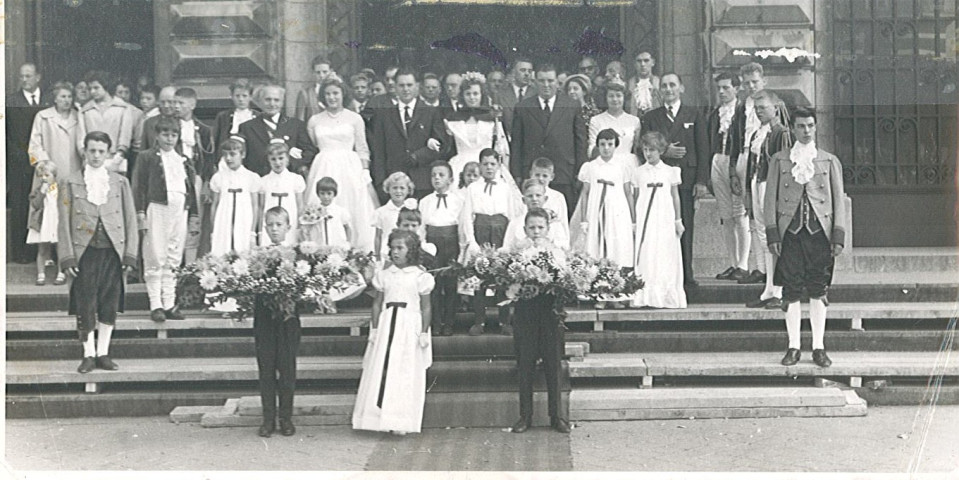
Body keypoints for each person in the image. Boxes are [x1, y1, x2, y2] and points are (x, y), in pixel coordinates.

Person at [765, 107, 848, 368]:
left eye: (810, 125)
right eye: (801, 126)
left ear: (816, 127)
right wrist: (772, 233)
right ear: (793, 128)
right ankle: (793, 346)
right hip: (790, 233)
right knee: (790, 290)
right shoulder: (779, 160)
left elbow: (838, 200)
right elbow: (770, 200)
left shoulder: (829, 161)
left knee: (818, 289)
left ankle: (819, 347)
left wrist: (838, 235)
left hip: (819, 234)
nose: (806, 131)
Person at [58, 131, 139, 374]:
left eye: (101, 151)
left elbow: (130, 219)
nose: (95, 155)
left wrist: (129, 254)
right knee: (85, 302)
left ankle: (103, 352)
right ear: (84, 151)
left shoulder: (119, 182)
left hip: (112, 251)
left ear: (108, 153)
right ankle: (88, 354)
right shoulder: (70, 182)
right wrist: (68, 256)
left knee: (109, 302)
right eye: (91, 150)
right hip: (85, 253)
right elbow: (63, 222)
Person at [352, 229, 434, 435]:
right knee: (381, 367)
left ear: (411, 250)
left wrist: (424, 332)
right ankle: (375, 418)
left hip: (408, 326)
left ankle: (400, 420)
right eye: (392, 248)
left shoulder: (420, 276)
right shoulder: (384, 275)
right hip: (388, 323)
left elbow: (426, 307)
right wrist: (375, 328)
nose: (395, 252)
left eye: (400, 248)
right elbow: (377, 304)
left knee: (404, 370)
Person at [641, 73, 709, 289]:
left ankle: (686, 276)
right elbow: (642, 146)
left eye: (672, 85)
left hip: (686, 181)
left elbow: (703, 148)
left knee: (683, 226)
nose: (668, 89)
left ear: (681, 87)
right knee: (658, 228)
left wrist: (701, 181)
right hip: (658, 181)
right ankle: (661, 276)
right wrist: (665, 150)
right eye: (664, 86)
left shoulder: (694, 114)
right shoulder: (652, 117)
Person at [508, 207, 570, 434]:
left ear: (548, 228)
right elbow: (510, 282)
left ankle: (557, 416)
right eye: (531, 227)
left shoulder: (556, 253)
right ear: (524, 229)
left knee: (553, 364)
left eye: (540, 227)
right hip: (526, 315)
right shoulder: (517, 253)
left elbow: (563, 280)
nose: (536, 231)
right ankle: (525, 416)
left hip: (549, 314)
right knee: (525, 365)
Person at [132, 117, 199, 322]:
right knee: (155, 255)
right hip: (157, 209)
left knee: (173, 256)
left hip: (180, 211)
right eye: (165, 134)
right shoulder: (147, 157)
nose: (169, 139)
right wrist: (141, 212)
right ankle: (156, 304)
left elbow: (191, 190)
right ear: (157, 135)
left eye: (173, 135)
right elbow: (139, 186)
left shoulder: (184, 160)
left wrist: (194, 216)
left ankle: (169, 303)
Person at [304, 75, 378, 252]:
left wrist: (365, 170)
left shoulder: (354, 118)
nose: (332, 97)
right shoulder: (314, 121)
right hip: (323, 165)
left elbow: (361, 147)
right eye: (328, 94)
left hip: (350, 167)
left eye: (335, 93)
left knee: (355, 208)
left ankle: (354, 250)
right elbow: (314, 144)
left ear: (343, 94)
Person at [510, 63, 588, 216]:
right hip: (533, 174)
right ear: (535, 81)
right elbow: (517, 145)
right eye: (541, 80)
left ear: (557, 82)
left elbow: (580, 142)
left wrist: (580, 173)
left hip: (564, 173)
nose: (546, 85)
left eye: (550, 81)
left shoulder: (571, 105)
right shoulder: (523, 107)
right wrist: (518, 175)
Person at [573, 129, 635, 308]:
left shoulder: (623, 166)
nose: (606, 148)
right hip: (596, 212)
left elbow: (628, 193)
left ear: (615, 145)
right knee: (598, 248)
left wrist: (632, 219)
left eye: (610, 144)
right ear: (597, 146)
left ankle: (615, 294)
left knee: (616, 248)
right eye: (602, 144)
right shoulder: (590, 167)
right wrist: (584, 219)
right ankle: (600, 294)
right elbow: (585, 193)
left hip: (617, 212)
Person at [255, 206, 302, 438]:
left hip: (289, 319)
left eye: (279, 225)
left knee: (287, 368)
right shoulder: (256, 256)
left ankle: (286, 418)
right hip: (264, 319)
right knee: (266, 369)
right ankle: (267, 419)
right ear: (265, 227)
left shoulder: (296, 256)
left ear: (288, 227)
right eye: (270, 225)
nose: (274, 229)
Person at [742, 91, 792, 309]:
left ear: (775, 107)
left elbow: (784, 167)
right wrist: (746, 190)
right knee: (762, 236)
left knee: (773, 236)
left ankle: (779, 290)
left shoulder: (781, 133)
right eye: (756, 108)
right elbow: (751, 166)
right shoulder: (756, 134)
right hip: (756, 183)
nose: (759, 111)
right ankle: (768, 288)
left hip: (770, 187)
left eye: (763, 107)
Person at [368, 68, 449, 201]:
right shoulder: (384, 115)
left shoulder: (431, 112)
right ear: (394, 87)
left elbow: (440, 146)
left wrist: (417, 156)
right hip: (395, 184)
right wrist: (381, 182)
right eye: (401, 85)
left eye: (409, 85)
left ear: (417, 86)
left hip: (423, 181)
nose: (405, 89)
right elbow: (379, 152)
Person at [461, 149, 517, 335]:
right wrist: (472, 242)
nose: (489, 167)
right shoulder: (472, 188)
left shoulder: (505, 188)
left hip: (500, 233)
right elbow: (467, 217)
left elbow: (512, 218)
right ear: (480, 166)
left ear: (499, 165)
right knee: (479, 279)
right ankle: (479, 321)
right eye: (485, 164)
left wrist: (506, 245)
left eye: (493, 164)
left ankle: (504, 321)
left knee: (502, 278)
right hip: (481, 230)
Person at [632, 132, 687, 308]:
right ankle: (646, 295)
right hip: (646, 218)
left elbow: (675, 197)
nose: (649, 154)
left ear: (661, 151)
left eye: (653, 150)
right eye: (646, 150)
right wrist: (634, 222)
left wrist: (678, 220)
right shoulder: (638, 172)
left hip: (664, 218)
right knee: (647, 253)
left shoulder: (671, 172)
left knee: (665, 254)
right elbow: (635, 197)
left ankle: (665, 296)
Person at [7, 63, 53, 264]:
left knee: (50, 206)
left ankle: (51, 254)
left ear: (38, 77)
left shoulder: (50, 101)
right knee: (22, 207)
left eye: (28, 76)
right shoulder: (11, 102)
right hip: (21, 166)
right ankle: (23, 255)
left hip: (48, 164)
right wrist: (24, 158)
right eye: (21, 76)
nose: (24, 80)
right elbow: (7, 136)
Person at [708, 72, 750, 282]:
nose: (722, 92)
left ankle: (743, 264)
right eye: (720, 88)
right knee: (726, 216)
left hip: (737, 162)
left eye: (726, 87)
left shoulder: (744, 111)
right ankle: (732, 263)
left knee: (739, 213)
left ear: (736, 88)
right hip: (719, 159)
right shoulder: (715, 113)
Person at [419, 161, 465, 336]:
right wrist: (424, 248)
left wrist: (461, 249)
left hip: (451, 242)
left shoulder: (459, 200)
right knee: (434, 284)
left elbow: (462, 226)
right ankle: (436, 322)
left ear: (451, 179)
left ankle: (449, 323)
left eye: (441, 175)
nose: (437, 178)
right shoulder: (424, 202)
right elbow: (422, 227)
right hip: (432, 244)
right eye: (433, 175)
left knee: (451, 284)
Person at [444, 72, 511, 183]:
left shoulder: (491, 117)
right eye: (468, 94)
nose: (472, 97)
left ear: (482, 95)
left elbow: (502, 147)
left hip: (486, 164)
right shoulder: (454, 118)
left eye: (475, 94)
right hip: (460, 164)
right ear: (463, 96)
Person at [238, 83, 317, 176]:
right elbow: (241, 157)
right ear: (260, 101)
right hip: (258, 180)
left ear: (282, 102)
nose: (272, 104)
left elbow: (310, 152)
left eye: (276, 100)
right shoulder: (246, 127)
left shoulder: (295, 125)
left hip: (288, 180)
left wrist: (291, 163)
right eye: (268, 99)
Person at [174, 87, 215, 261]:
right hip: (175, 179)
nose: (176, 106)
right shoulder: (168, 128)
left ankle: (190, 263)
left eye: (180, 103)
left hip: (195, 179)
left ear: (192, 104)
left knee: (194, 220)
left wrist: (206, 183)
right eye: (175, 102)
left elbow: (209, 158)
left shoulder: (203, 130)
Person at [209, 136, 262, 255]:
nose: (228, 158)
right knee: (222, 251)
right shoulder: (218, 177)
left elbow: (255, 206)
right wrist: (214, 230)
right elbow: (215, 205)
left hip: (244, 220)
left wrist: (253, 231)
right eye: (225, 155)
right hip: (223, 219)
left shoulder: (251, 177)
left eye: (233, 154)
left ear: (242, 155)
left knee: (243, 250)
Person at [77, 70, 137, 174]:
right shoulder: (85, 110)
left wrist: (119, 156)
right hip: (91, 159)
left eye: (96, 88)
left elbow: (125, 136)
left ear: (105, 86)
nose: (92, 92)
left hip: (114, 159)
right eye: (90, 88)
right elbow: (81, 137)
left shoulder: (122, 108)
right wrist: (85, 156)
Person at [29, 81, 83, 180]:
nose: (67, 100)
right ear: (55, 99)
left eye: (69, 96)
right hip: (50, 168)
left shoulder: (79, 116)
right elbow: (34, 145)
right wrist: (43, 163)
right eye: (63, 97)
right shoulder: (43, 116)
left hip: (74, 168)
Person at [259, 141, 305, 245]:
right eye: (273, 159)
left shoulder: (296, 179)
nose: (277, 162)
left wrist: (300, 226)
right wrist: (260, 230)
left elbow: (300, 205)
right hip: (270, 221)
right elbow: (261, 207)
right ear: (268, 160)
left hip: (290, 218)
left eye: (281, 158)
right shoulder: (264, 181)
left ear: (287, 159)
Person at [588, 79, 641, 170]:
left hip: (628, 166)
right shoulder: (596, 120)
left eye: (619, 95)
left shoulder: (634, 121)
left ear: (624, 98)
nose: (615, 99)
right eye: (611, 96)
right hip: (604, 166)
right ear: (605, 98)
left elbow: (637, 149)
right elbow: (591, 149)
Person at [27, 161, 65, 286]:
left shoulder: (61, 189)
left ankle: (61, 272)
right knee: (42, 249)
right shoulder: (38, 191)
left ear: (54, 175)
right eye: (41, 176)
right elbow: (36, 205)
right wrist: (42, 192)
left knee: (60, 247)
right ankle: (41, 274)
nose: (44, 178)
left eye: (47, 175)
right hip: (43, 222)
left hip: (56, 220)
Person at [504, 179, 569, 250]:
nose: (534, 199)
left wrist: (547, 245)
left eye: (538, 195)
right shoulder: (515, 223)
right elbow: (507, 247)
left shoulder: (555, 223)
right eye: (530, 196)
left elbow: (564, 247)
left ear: (545, 199)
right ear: (523, 200)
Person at [299, 177, 352, 249]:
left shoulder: (340, 211)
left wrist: (347, 243)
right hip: (319, 245)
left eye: (329, 193)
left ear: (334, 194)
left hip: (337, 245)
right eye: (322, 193)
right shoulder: (313, 210)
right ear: (318, 194)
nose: (326, 197)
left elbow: (348, 228)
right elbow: (306, 229)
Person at [373, 172, 415, 260]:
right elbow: (378, 236)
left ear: (408, 190)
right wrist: (377, 257)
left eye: (402, 188)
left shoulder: (412, 210)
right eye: (395, 188)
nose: (398, 191)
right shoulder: (381, 212)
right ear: (388, 189)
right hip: (387, 252)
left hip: (408, 251)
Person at [212, 78, 257, 160]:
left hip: (252, 158)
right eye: (237, 96)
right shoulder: (223, 117)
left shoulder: (258, 117)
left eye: (244, 96)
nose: (241, 99)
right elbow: (215, 140)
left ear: (250, 97)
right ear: (232, 97)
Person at [528, 157, 570, 239]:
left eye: (544, 176)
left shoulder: (558, 197)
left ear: (551, 177)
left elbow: (563, 222)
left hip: (552, 238)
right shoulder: (527, 195)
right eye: (537, 175)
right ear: (530, 174)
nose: (540, 179)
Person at [495, 57, 537, 134]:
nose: (527, 74)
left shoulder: (537, 94)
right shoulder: (501, 94)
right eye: (523, 70)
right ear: (514, 72)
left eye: (529, 71)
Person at [140, 86, 178, 152]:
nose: (166, 105)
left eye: (170, 102)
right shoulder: (149, 123)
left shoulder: (182, 122)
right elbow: (143, 151)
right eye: (163, 102)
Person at [294, 55, 332, 121]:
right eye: (318, 72)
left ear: (330, 72)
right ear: (313, 73)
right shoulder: (305, 94)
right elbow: (299, 122)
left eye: (325, 72)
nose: (321, 75)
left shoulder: (337, 93)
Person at [627, 51, 661, 117]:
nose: (642, 64)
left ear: (653, 62)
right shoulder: (628, 84)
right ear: (634, 64)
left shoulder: (660, 83)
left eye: (646, 61)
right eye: (639, 61)